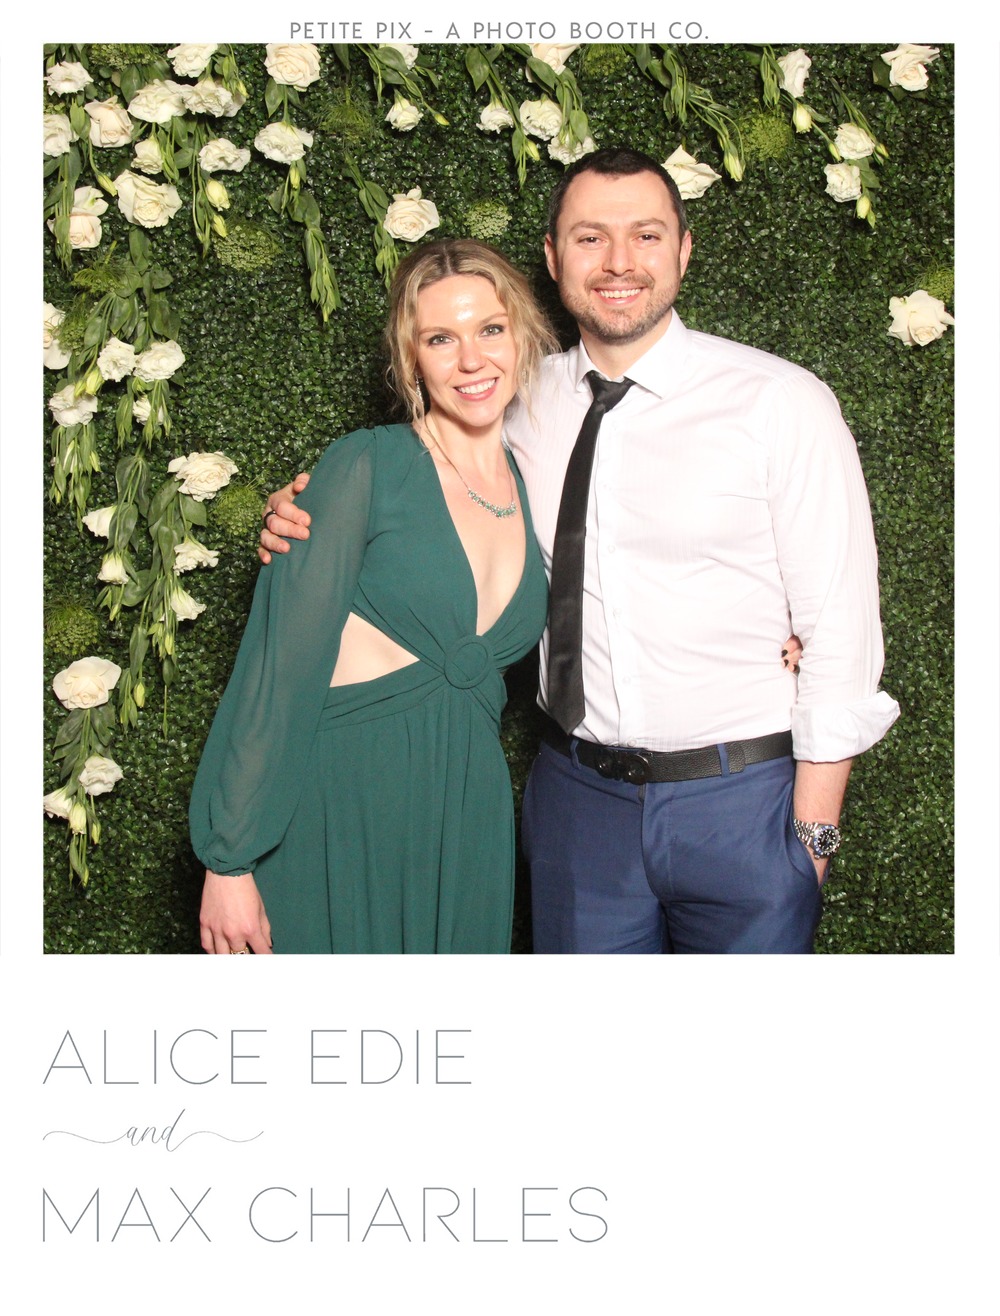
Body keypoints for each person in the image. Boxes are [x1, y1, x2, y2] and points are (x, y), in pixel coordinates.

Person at [261, 148, 899, 955]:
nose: (620, 262)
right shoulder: (510, 401)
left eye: (647, 235)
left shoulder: (780, 404)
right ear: (555, 257)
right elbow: (416, 496)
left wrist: (812, 842)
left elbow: (841, 631)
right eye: (591, 238)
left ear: (684, 251)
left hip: (742, 802)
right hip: (576, 802)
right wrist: (305, 513)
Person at [191, 239, 557, 954]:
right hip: (341, 805)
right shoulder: (366, 465)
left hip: (468, 822)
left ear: (521, 335)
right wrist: (228, 859)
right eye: (441, 339)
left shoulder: (531, 479)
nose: (472, 359)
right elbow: (279, 670)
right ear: (411, 359)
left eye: (490, 329)